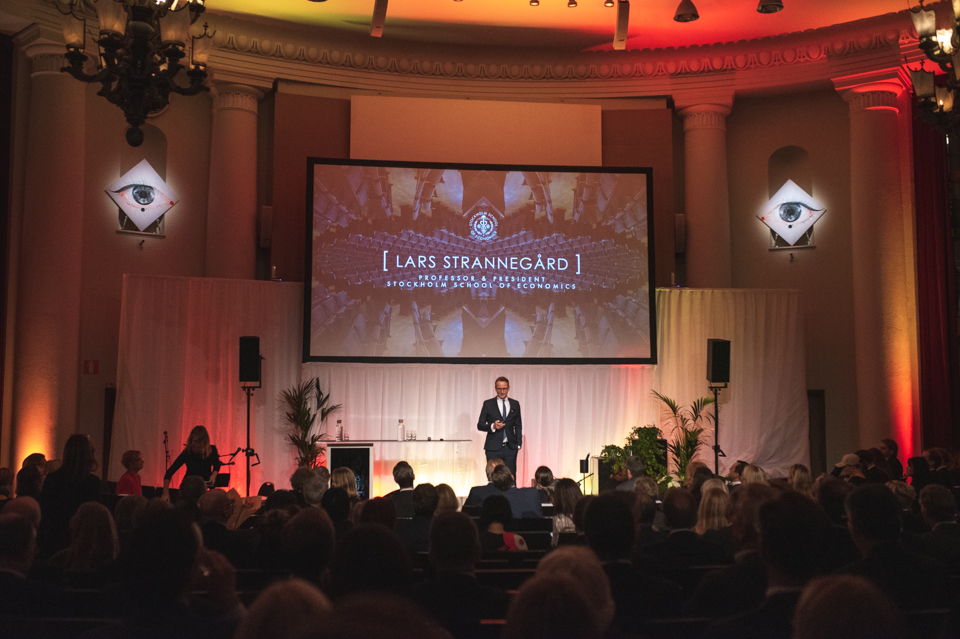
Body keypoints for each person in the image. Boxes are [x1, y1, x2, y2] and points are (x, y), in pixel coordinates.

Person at [37, 433, 101, 557]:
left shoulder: (52, 479)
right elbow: (94, 515)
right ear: (88, 455)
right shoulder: (92, 482)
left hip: (54, 539)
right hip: (81, 541)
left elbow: (44, 511)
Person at [477, 376, 522, 478]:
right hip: (493, 448)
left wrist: (518, 444)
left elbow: (518, 425)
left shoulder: (515, 404)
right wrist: (492, 426)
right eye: (499, 389)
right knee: (493, 477)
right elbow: (480, 425)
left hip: (510, 448)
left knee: (511, 477)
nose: (502, 391)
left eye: (504, 388)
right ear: (495, 388)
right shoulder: (488, 404)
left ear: (508, 388)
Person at [162, 425, 221, 499]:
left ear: (205, 442)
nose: (196, 445)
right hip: (189, 488)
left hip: (206, 488)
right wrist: (165, 493)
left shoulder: (212, 450)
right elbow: (169, 472)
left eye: (199, 443)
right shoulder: (187, 452)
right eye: (195, 442)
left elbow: (217, 464)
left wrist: (214, 475)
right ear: (191, 440)